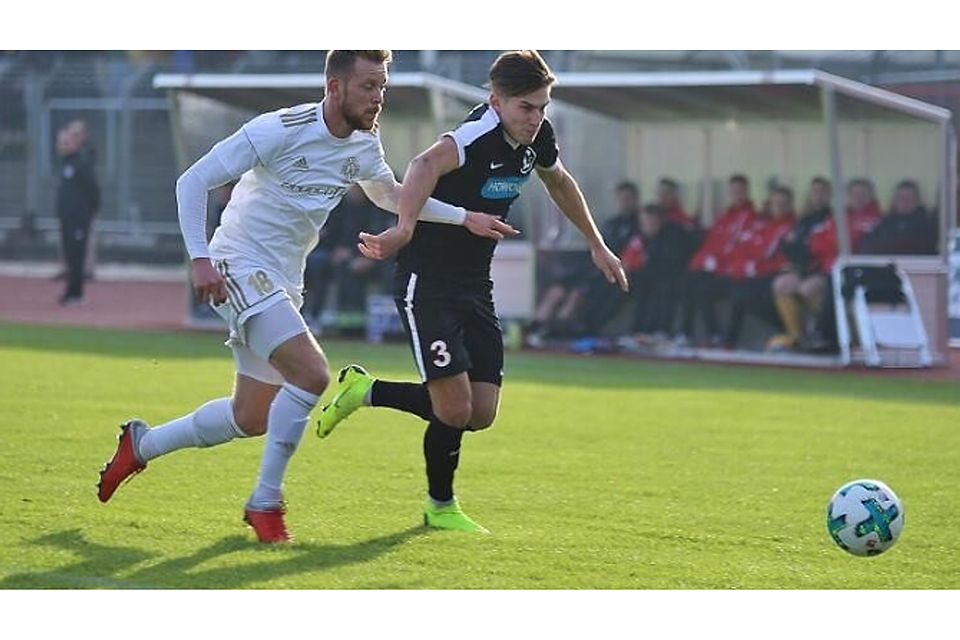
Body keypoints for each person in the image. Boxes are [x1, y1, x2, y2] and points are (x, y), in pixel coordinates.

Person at [96, 50, 514, 544]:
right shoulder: (278, 129)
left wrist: (465, 218)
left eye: (382, 86)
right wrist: (200, 257)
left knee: (250, 416)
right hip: (237, 264)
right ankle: (265, 503)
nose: (378, 97)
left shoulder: (363, 144)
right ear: (334, 87)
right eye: (367, 86)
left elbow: (390, 194)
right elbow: (193, 181)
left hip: (281, 281)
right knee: (313, 374)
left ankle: (141, 443)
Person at [315, 50, 628, 533]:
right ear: (496, 101)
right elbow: (421, 165)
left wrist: (596, 244)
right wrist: (402, 229)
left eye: (542, 107)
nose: (536, 118)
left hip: (475, 284)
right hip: (429, 281)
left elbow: (559, 181)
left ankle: (366, 391)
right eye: (526, 107)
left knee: (480, 413)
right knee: (454, 408)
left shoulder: (536, 135)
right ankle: (440, 507)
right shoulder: (474, 135)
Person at [677, 174, 757, 347]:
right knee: (692, 281)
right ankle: (690, 333)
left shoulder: (752, 218)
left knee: (727, 291)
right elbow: (712, 245)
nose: (737, 195)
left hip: (737, 273)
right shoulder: (724, 218)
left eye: (740, 191)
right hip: (720, 271)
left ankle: (724, 338)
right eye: (733, 191)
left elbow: (743, 248)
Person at [722, 186, 797, 349]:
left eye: (783, 203)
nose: (779, 207)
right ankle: (728, 341)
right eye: (776, 203)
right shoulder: (763, 224)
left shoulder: (792, 225)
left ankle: (790, 334)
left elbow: (767, 251)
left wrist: (754, 265)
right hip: (756, 273)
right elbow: (748, 248)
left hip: (775, 273)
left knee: (746, 293)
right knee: (738, 291)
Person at [767, 177, 834, 352]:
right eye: (815, 192)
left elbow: (821, 247)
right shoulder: (805, 220)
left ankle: (822, 334)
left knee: (806, 289)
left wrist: (803, 246)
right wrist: (801, 247)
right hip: (804, 268)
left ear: (829, 195)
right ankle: (796, 336)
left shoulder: (833, 218)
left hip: (823, 270)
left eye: (822, 192)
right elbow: (790, 247)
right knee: (781, 284)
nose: (818, 196)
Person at [55, 119, 100, 305]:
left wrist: (90, 212)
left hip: (78, 218)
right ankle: (71, 290)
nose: (62, 146)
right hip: (67, 218)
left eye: (66, 143)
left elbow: (93, 190)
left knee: (77, 255)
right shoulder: (67, 164)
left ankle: (76, 293)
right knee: (69, 254)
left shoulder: (81, 164)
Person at [855, 179, 938, 255]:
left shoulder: (927, 224)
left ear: (917, 201)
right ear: (894, 200)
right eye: (901, 198)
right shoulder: (884, 222)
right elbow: (869, 245)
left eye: (909, 198)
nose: (905, 202)